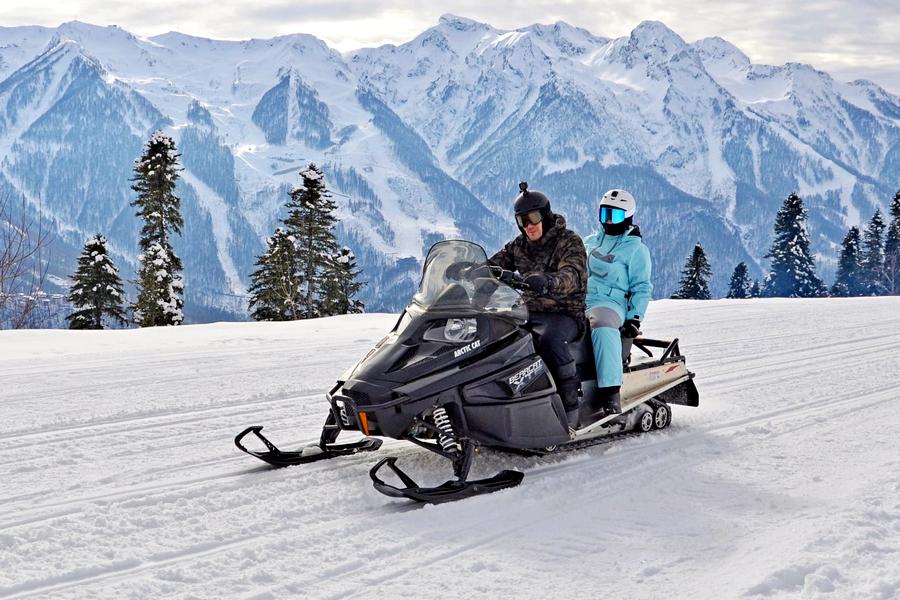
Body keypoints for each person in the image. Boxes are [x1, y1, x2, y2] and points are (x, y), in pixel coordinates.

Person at [488, 182, 587, 426]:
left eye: (532, 218)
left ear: (546, 215)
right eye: (522, 221)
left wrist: (548, 281)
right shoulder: (519, 245)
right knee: (496, 335)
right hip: (527, 310)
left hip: (565, 312)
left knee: (550, 341)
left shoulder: (569, 241)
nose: (528, 226)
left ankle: (569, 405)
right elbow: (495, 264)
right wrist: (469, 271)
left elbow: (572, 275)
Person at [583, 189, 653, 415]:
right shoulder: (590, 242)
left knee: (601, 324)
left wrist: (635, 318)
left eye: (615, 216)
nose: (608, 221)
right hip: (581, 298)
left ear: (628, 217)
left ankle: (610, 392)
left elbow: (642, 286)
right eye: (604, 214)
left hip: (611, 303)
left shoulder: (636, 250)